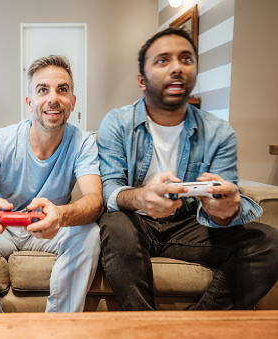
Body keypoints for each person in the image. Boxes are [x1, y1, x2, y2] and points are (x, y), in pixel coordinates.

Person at [97, 27, 278, 311]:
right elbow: (110, 190)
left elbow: (228, 198)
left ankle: (195, 327)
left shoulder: (219, 132)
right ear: (142, 80)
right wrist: (140, 197)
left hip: (190, 224)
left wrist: (226, 210)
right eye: (163, 60)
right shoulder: (117, 123)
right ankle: (145, 328)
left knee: (270, 242)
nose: (177, 68)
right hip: (135, 225)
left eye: (186, 59)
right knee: (115, 223)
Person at [0, 55, 102, 313]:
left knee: (90, 233)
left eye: (62, 90)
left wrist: (59, 214)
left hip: (49, 229)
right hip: (1, 228)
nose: (53, 98)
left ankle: (58, 330)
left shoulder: (83, 143)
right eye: (42, 90)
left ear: (72, 102)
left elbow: (94, 201)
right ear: (29, 102)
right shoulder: (1, 140)